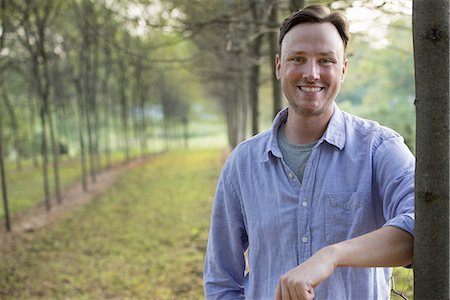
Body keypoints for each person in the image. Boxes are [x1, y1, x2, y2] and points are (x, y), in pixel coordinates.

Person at [203, 5, 414, 300]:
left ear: (343, 69)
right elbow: (221, 281)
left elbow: (427, 227)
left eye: (325, 60)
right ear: (279, 66)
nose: (311, 73)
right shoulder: (242, 163)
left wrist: (332, 255)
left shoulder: (379, 149)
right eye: (298, 59)